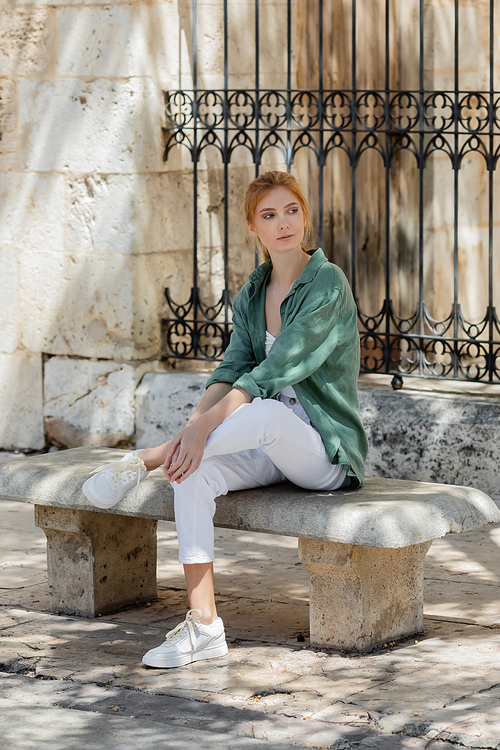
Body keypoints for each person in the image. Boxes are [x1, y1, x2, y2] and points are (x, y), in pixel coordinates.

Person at [82, 170, 368, 669]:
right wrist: (196, 426)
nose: (284, 223)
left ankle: (147, 458)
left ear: (305, 214)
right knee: (192, 473)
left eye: (292, 210)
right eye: (269, 215)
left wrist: (191, 433)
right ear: (252, 228)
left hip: (323, 453)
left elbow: (276, 370)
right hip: (260, 440)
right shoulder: (254, 291)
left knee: (263, 413)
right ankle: (204, 624)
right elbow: (232, 368)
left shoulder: (327, 283)